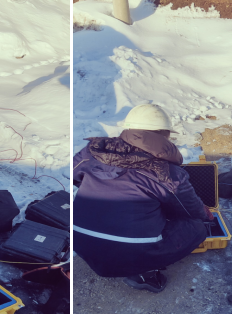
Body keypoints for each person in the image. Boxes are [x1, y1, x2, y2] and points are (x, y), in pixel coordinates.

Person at [73, 104, 213, 293]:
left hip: (81, 244)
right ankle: (143, 274)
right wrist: (204, 214)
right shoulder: (167, 173)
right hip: (130, 254)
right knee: (197, 228)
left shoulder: (91, 152)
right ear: (164, 134)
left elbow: (75, 177)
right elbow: (190, 210)